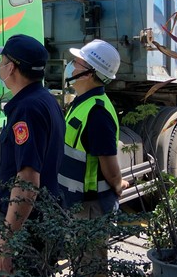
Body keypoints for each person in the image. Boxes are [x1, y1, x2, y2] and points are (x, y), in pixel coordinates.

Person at [0, 34, 65, 274]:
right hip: (42, 223)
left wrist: (6, 245)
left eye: (2, 62)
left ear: (11, 68)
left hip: (28, 231)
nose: (0, 67)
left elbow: (28, 181)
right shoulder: (45, 100)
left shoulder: (26, 109)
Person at [57, 39, 129, 276]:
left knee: (91, 268)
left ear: (89, 73)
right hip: (78, 203)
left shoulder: (97, 112)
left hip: (91, 206)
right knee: (82, 263)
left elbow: (108, 162)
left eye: (76, 63)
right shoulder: (83, 103)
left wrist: (118, 184)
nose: (71, 67)